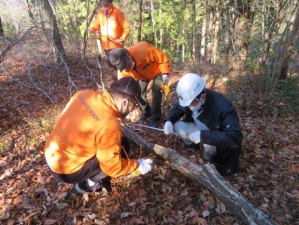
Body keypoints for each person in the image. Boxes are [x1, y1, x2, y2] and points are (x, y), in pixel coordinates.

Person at [44, 77, 153, 194]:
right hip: (66, 171)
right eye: (134, 105)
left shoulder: (83, 94)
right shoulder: (109, 124)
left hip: (50, 154)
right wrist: (137, 165)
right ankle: (87, 185)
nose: (132, 109)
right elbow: (112, 167)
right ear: (125, 102)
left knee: (118, 142)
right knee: (122, 147)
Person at [163, 73, 243, 175]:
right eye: (187, 104)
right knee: (177, 125)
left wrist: (203, 136)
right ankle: (197, 147)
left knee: (210, 147)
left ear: (202, 96)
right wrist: (168, 120)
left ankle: (209, 157)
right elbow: (178, 108)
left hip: (216, 141)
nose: (189, 107)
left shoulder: (223, 106)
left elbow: (235, 137)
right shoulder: (190, 99)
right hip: (201, 131)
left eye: (192, 103)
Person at [109, 41, 171, 128]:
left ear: (128, 55)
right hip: (142, 77)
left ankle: (156, 117)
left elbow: (163, 59)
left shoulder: (144, 49)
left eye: (126, 64)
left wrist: (165, 74)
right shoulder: (123, 71)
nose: (126, 68)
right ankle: (146, 112)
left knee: (156, 92)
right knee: (138, 93)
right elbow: (123, 86)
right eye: (123, 67)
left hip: (158, 71)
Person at [88, 0, 130, 76]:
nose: (104, 6)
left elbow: (126, 28)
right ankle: (117, 84)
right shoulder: (100, 13)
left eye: (106, 4)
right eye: (103, 4)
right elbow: (96, 25)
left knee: (120, 67)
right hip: (106, 46)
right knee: (112, 67)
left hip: (116, 46)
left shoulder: (117, 12)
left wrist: (121, 39)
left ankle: (125, 83)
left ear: (111, 3)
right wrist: (92, 28)